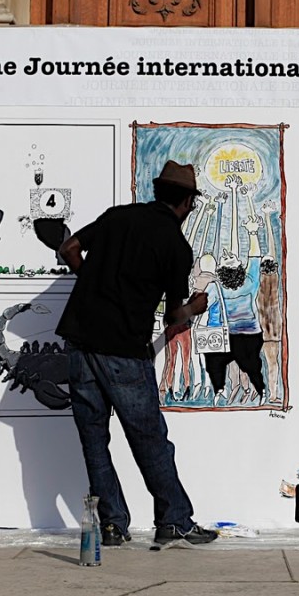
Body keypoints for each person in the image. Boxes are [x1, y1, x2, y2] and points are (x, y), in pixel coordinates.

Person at [56, 159, 217, 547]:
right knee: (150, 440)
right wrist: (196, 307)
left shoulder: (118, 216)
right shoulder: (175, 246)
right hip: (123, 350)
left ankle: (112, 524)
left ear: (158, 192)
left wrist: (94, 286)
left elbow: (69, 248)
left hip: (79, 341)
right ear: (187, 202)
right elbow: (173, 316)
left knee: (94, 441)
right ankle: (174, 520)